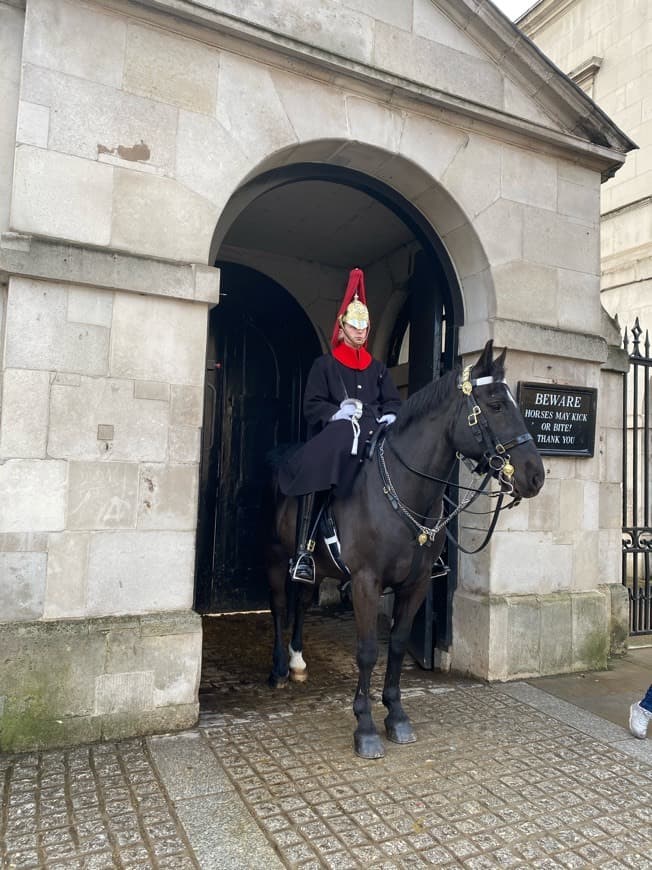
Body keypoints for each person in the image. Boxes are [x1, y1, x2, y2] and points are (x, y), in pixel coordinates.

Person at [278, 268, 402, 584]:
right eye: (354, 326)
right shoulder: (325, 365)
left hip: (373, 431)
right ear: (343, 328)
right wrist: (338, 412)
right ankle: (305, 550)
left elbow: (392, 401)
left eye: (364, 326)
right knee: (325, 455)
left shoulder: (377, 369)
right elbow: (312, 405)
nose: (360, 331)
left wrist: (390, 414)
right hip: (337, 432)